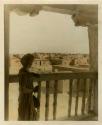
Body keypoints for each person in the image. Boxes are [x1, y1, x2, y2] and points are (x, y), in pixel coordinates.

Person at [18, 54, 40, 121]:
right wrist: (33, 90)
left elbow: (28, 74)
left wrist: (33, 74)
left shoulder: (24, 70)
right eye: (30, 61)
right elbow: (23, 89)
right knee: (26, 117)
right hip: (25, 99)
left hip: (28, 98)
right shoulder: (23, 73)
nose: (31, 63)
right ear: (26, 62)